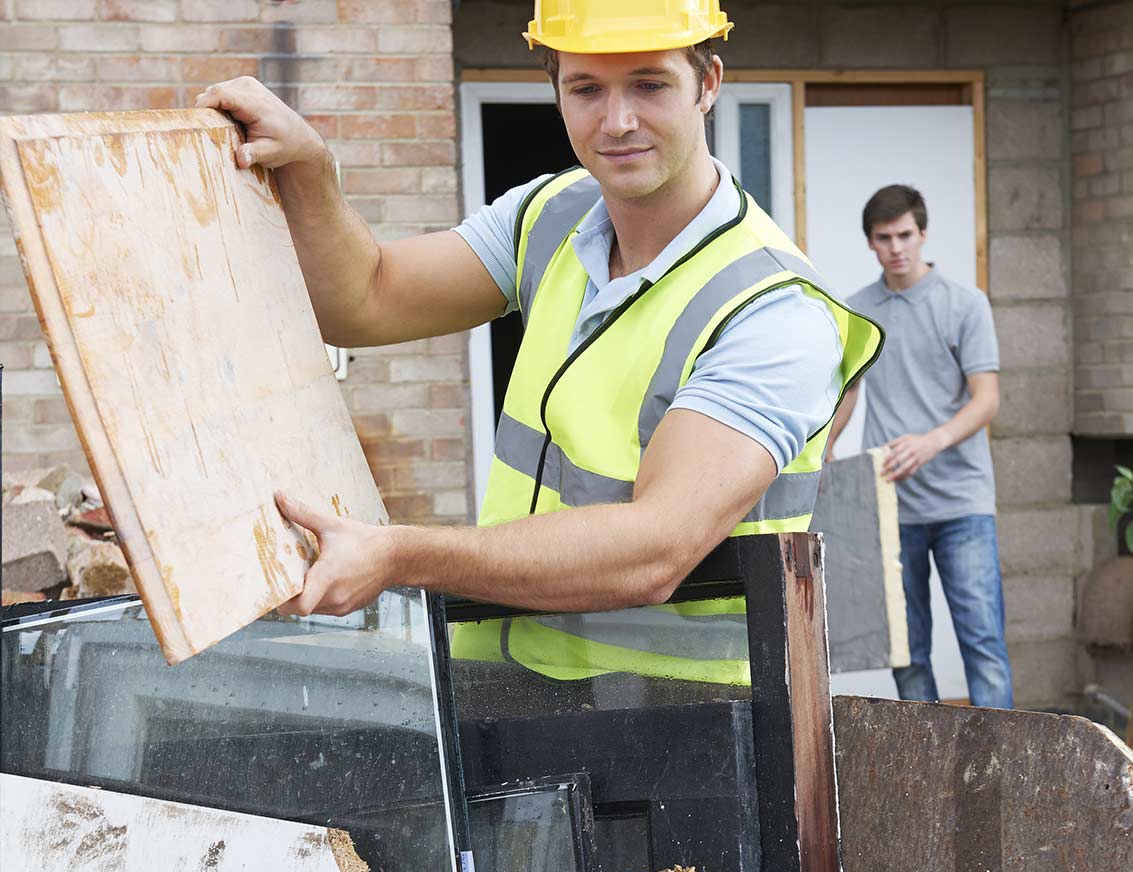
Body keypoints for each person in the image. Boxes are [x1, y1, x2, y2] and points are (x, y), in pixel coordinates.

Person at [196, 0, 882, 685]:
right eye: (586, 89)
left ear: (707, 84)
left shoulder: (772, 311)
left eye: (649, 84)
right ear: (555, 91)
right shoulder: (552, 215)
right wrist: (311, 169)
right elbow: (365, 299)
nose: (617, 121)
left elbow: (654, 550)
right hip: (502, 693)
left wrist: (400, 554)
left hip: (683, 724)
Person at [828, 185, 1013, 708]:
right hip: (891, 507)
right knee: (907, 656)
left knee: (984, 646)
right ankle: (927, 760)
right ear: (870, 242)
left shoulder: (965, 304)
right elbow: (850, 390)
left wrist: (932, 442)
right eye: (884, 238)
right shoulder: (859, 310)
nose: (896, 248)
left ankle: (998, 760)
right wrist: (827, 446)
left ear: (923, 234)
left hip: (962, 504)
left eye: (905, 235)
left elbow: (987, 399)